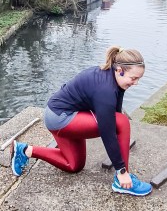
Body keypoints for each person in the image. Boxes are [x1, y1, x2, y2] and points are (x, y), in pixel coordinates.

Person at [10, 46, 152, 197]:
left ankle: (24, 150)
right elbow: (108, 131)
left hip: (63, 113)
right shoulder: (105, 90)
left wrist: (115, 119)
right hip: (61, 118)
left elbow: (114, 110)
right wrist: (121, 169)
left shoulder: (111, 75)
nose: (136, 83)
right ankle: (123, 180)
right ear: (119, 70)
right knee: (122, 122)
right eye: (134, 78)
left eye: (139, 79)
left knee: (74, 165)